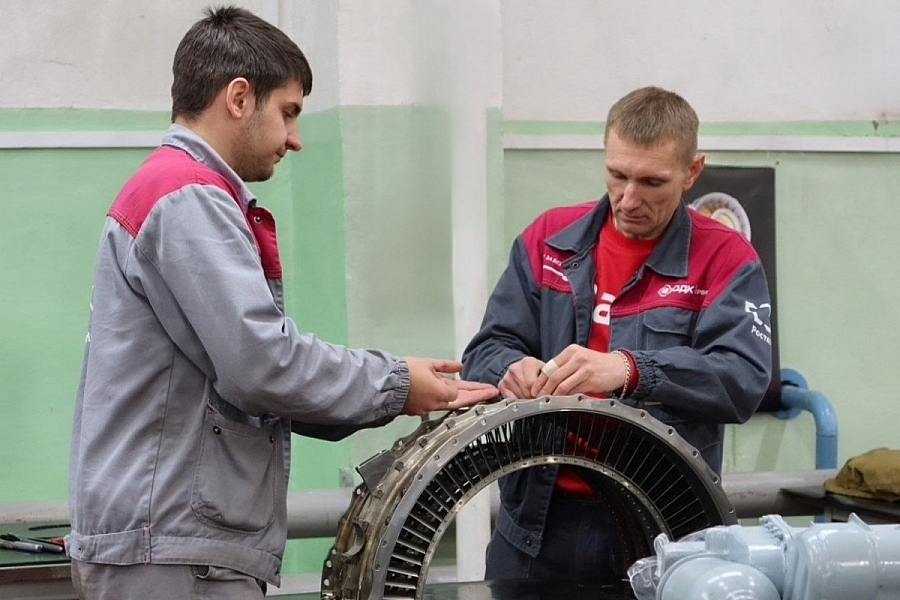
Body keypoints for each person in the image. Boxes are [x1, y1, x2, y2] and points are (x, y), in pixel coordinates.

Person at [67, 6, 497, 599]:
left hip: (168, 543)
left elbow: (247, 372)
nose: (296, 139)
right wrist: (396, 383)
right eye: (289, 112)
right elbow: (261, 365)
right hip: (171, 552)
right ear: (239, 98)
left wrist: (393, 392)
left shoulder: (174, 192)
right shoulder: (188, 198)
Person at [461, 86, 772, 582]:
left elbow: (741, 379)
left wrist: (630, 370)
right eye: (617, 174)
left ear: (693, 172)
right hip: (536, 524)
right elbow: (485, 350)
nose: (629, 199)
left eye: (652, 182)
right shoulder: (548, 241)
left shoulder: (726, 258)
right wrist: (510, 369)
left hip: (663, 530)